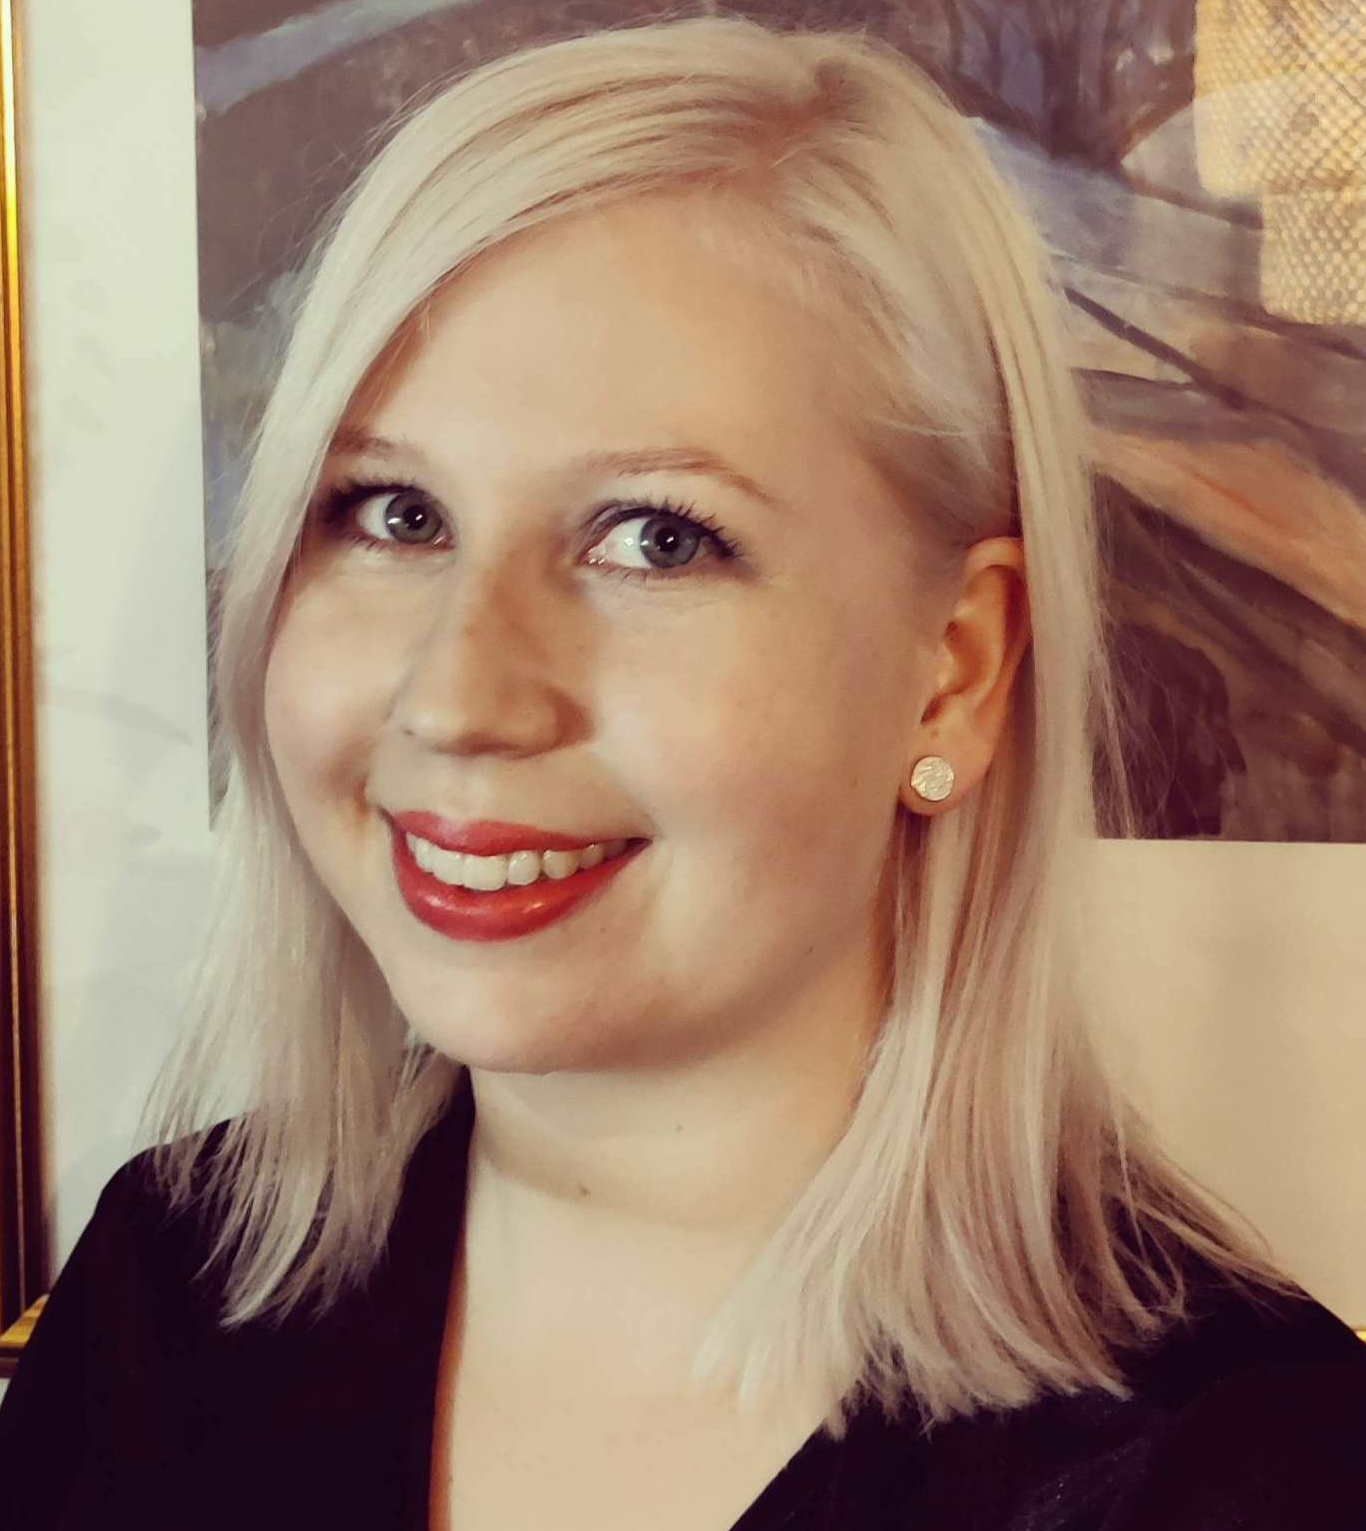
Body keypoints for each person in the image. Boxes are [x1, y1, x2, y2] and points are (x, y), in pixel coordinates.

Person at [2, 15, 1363, 1529]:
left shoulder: (1257, 1471)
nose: (459, 697)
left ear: (955, 668)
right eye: (389, 512)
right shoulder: (167, 1288)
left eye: (656, 535)